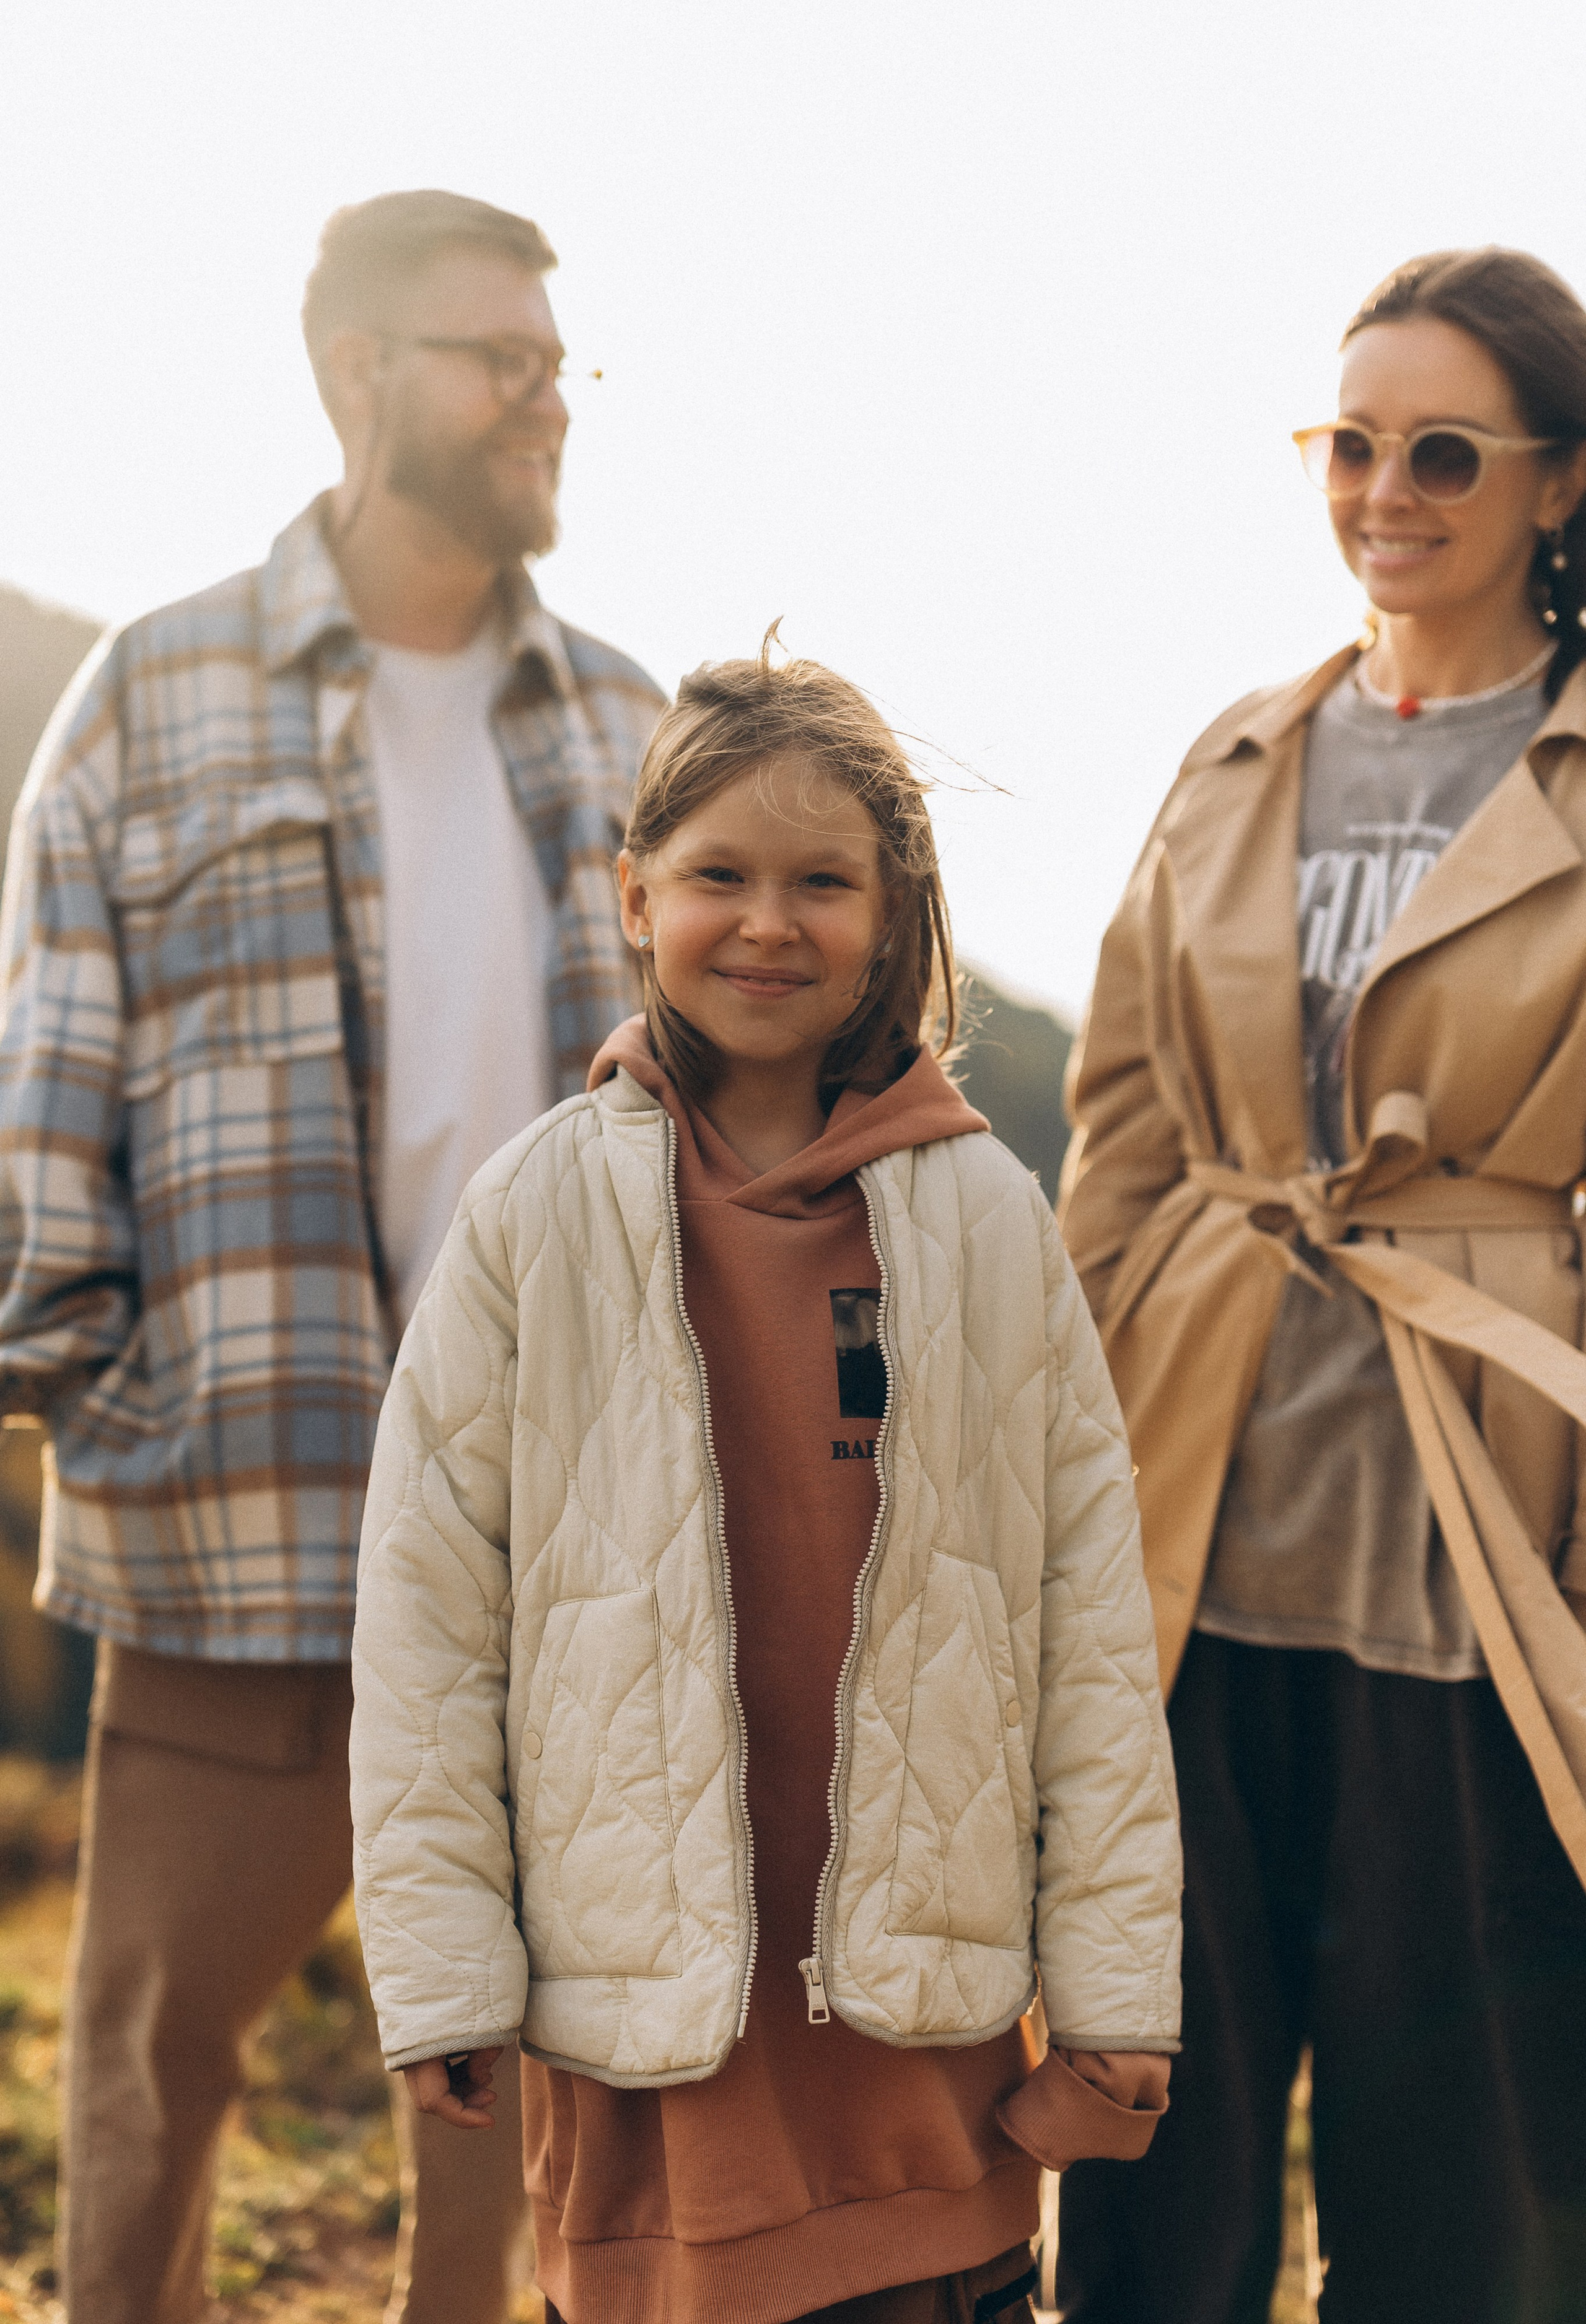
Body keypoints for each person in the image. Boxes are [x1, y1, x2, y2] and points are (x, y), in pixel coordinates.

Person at [0, 188, 664, 2323]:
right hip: (236, 1521)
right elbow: (46, 1082)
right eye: (502, 359)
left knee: (506, 2098)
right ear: (356, 376)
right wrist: (103, 1392)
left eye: (559, 364)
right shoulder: (151, 693)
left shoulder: (635, 728)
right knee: (148, 2076)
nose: (547, 398)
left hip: (549, 1543)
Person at [348, 645, 1183, 2324]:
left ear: (896, 910)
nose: (769, 923)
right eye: (719, 876)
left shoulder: (984, 1221)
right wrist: (443, 1971)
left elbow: (1090, 1631)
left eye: (824, 882)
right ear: (633, 893)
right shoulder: (536, 1218)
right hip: (655, 2066)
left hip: (926, 2066)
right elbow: (428, 1619)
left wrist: (1115, 1992)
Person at [1056, 247, 1586, 2324]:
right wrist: (1069, 1476)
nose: (1386, 487)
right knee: (1148, 2136)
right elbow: (1119, 1130)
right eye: (1349, 442)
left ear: (1558, 484)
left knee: (1459, 2178)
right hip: (1200, 1523)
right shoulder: (1233, 760)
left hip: (1483, 1542)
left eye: (1444, 448)